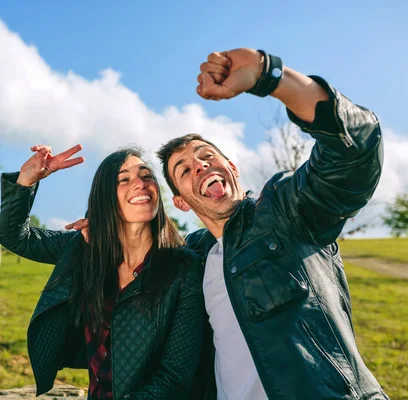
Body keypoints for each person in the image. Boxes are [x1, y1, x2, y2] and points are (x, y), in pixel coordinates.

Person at [154, 48, 389, 399]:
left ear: (231, 167)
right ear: (180, 201)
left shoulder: (282, 211)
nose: (201, 166)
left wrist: (269, 75)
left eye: (207, 156)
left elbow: (355, 150)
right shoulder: (193, 259)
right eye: (184, 169)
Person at [0, 144, 208, 399]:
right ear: (105, 197)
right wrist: (25, 182)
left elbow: (174, 377)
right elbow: (15, 237)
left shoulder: (184, 268)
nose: (140, 183)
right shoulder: (86, 248)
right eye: (124, 179)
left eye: (146, 175)